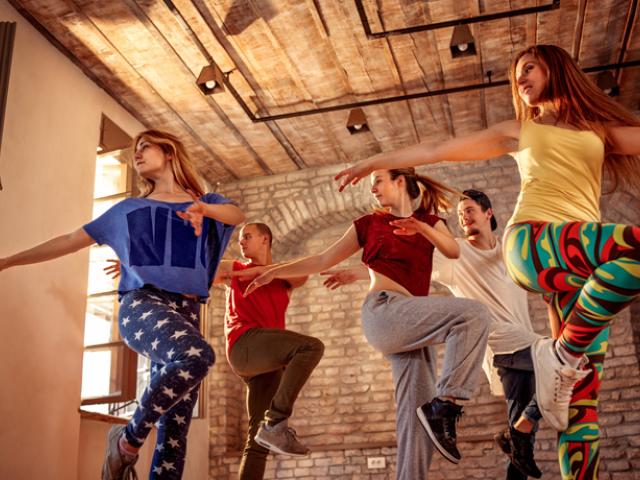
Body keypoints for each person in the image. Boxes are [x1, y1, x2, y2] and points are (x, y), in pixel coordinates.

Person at [334, 44, 640, 479]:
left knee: (580, 407)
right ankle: (565, 355)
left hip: (580, 270)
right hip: (534, 242)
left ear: (557, 68)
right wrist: (374, 162)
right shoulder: (520, 130)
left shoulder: (598, 130)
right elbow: (439, 148)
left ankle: (563, 363)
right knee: (631, 250)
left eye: (528, 68)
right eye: (516, 74)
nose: (520, 79)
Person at [0, 129, 245, 480]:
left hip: (188, 313)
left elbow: (237, 215)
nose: (138, 155)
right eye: (135, 151)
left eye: (145, 147)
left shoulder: (206, 205)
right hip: (143, 306)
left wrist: (203, 209)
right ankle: (126, 440)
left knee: (175, 428)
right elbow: (70, 239)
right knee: (198, 356)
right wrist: (8, 260)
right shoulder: (127, 210)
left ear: (170, 152)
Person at [240, 168, 491, 479]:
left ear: (400, 181)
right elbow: (321, 259)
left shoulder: (429, 222)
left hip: (412, 325)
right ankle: (447, 405)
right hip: (384, 312)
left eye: (378, 182)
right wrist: (272, 271)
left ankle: (431, 426)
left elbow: (452, 250)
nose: (373, 190)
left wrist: (421, 228)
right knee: (474, 314)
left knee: (416, 421)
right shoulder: (369, 224)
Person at [322, 189, 544, 479]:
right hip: (502, 345)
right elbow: (405, 263)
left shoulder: (510, 253)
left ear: (488, 213)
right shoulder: (455, 254)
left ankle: (517, 437)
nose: (463, 217)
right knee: (571, 363)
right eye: (460, 213)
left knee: (524, 442)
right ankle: (513, 432)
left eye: (469, 210)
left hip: (525, 341)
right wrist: (357, 272)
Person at [213, 222, 324, 479]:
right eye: (241, 238)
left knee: (257, 442)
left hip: (269, 362)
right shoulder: (235, 269)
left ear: (266, 239)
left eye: (247, 237)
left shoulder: (285, 276)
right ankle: (277, 420)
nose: (241, 242)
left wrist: (266, 272)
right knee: (311, 347)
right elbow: (199, 272)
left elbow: (304, 273)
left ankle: (272, 426)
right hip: (245, 345)